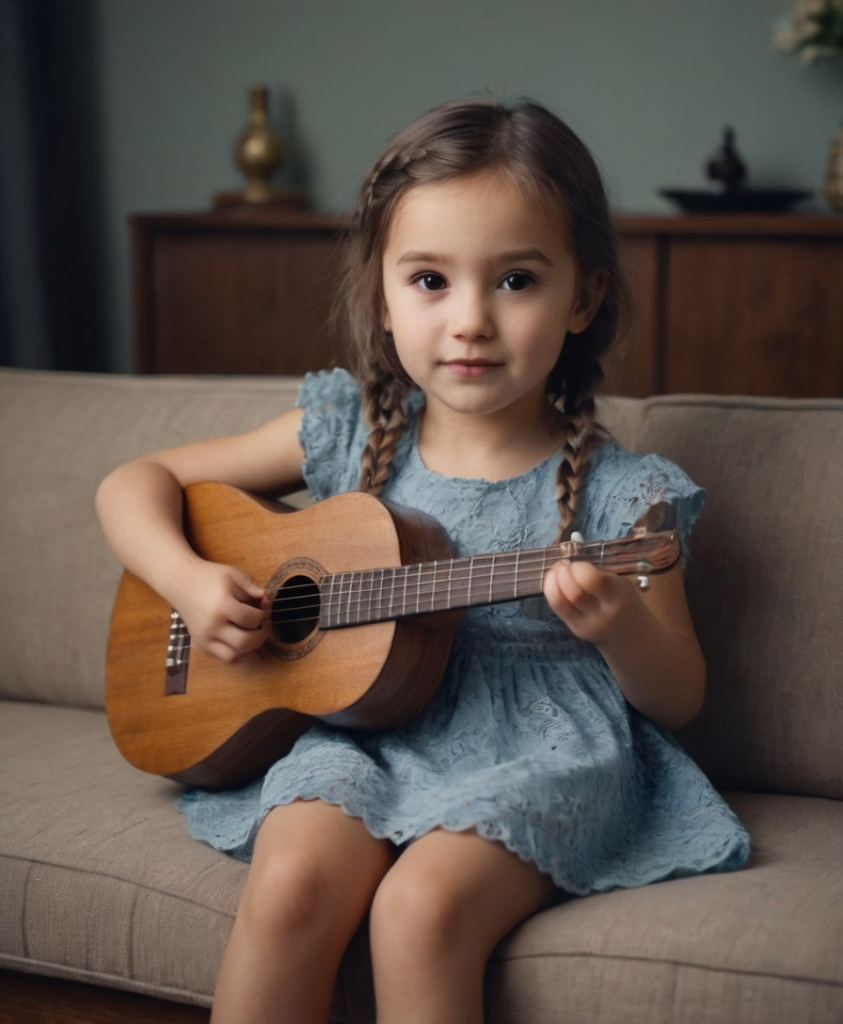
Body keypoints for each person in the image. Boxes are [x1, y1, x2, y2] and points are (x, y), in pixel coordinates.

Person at [96, 97, 750, 1024]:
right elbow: (133, 483)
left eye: (516, 281)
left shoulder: (623, 498)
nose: (470, 320)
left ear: (584, 297)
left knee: (419, 909)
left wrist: (619, 627)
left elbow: (679, 694)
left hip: (540, 747)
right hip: (362, 733)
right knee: (286, 892)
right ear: (381, 295)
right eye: (430, 280)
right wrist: (191, 582)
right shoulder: (348, 432)